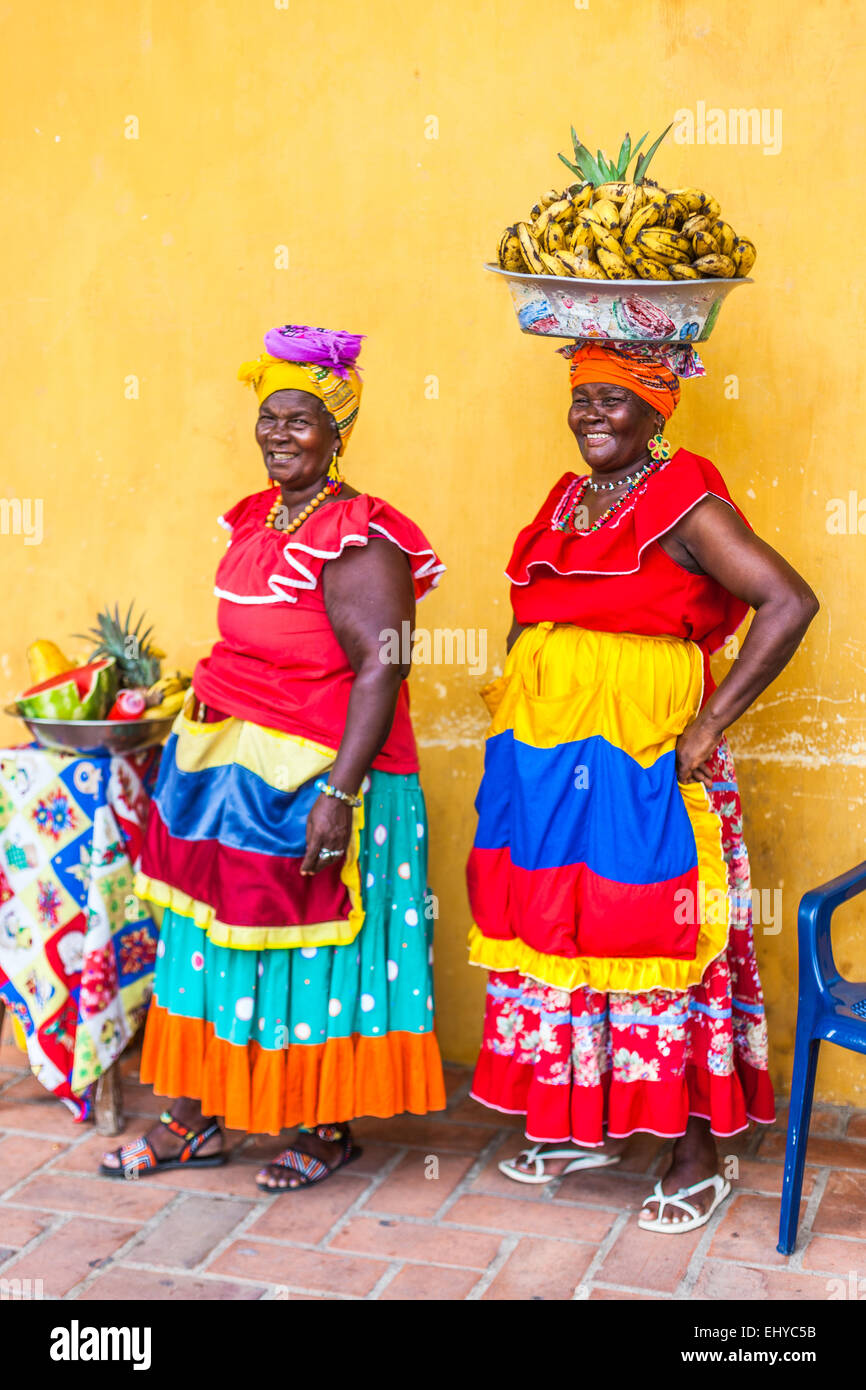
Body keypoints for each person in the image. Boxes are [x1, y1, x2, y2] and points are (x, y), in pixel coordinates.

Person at [466, 340, 819, 1232]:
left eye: (614, 401)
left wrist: (710, 723)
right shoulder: (568, 498)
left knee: (657, 934)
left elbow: (789, 600)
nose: (592, 415)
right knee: (567, 929)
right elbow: (533, 612)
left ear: (659, 410)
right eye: (582, 397)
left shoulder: (686, 499)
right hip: (548, 763)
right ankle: (590, 1123)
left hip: (645, 764)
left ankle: (693, 1149)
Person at [101, 324, 447, 1190]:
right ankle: (193, 1120)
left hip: (324, 778)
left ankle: (321, 1127)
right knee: (208, 943)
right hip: (227, 772)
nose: (279, 435)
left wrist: (338, 793)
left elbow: (385, 661)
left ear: (339, 432)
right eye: (269, 419)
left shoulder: (361, 533)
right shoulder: (256, 518)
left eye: (300, 420)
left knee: (303, 949)